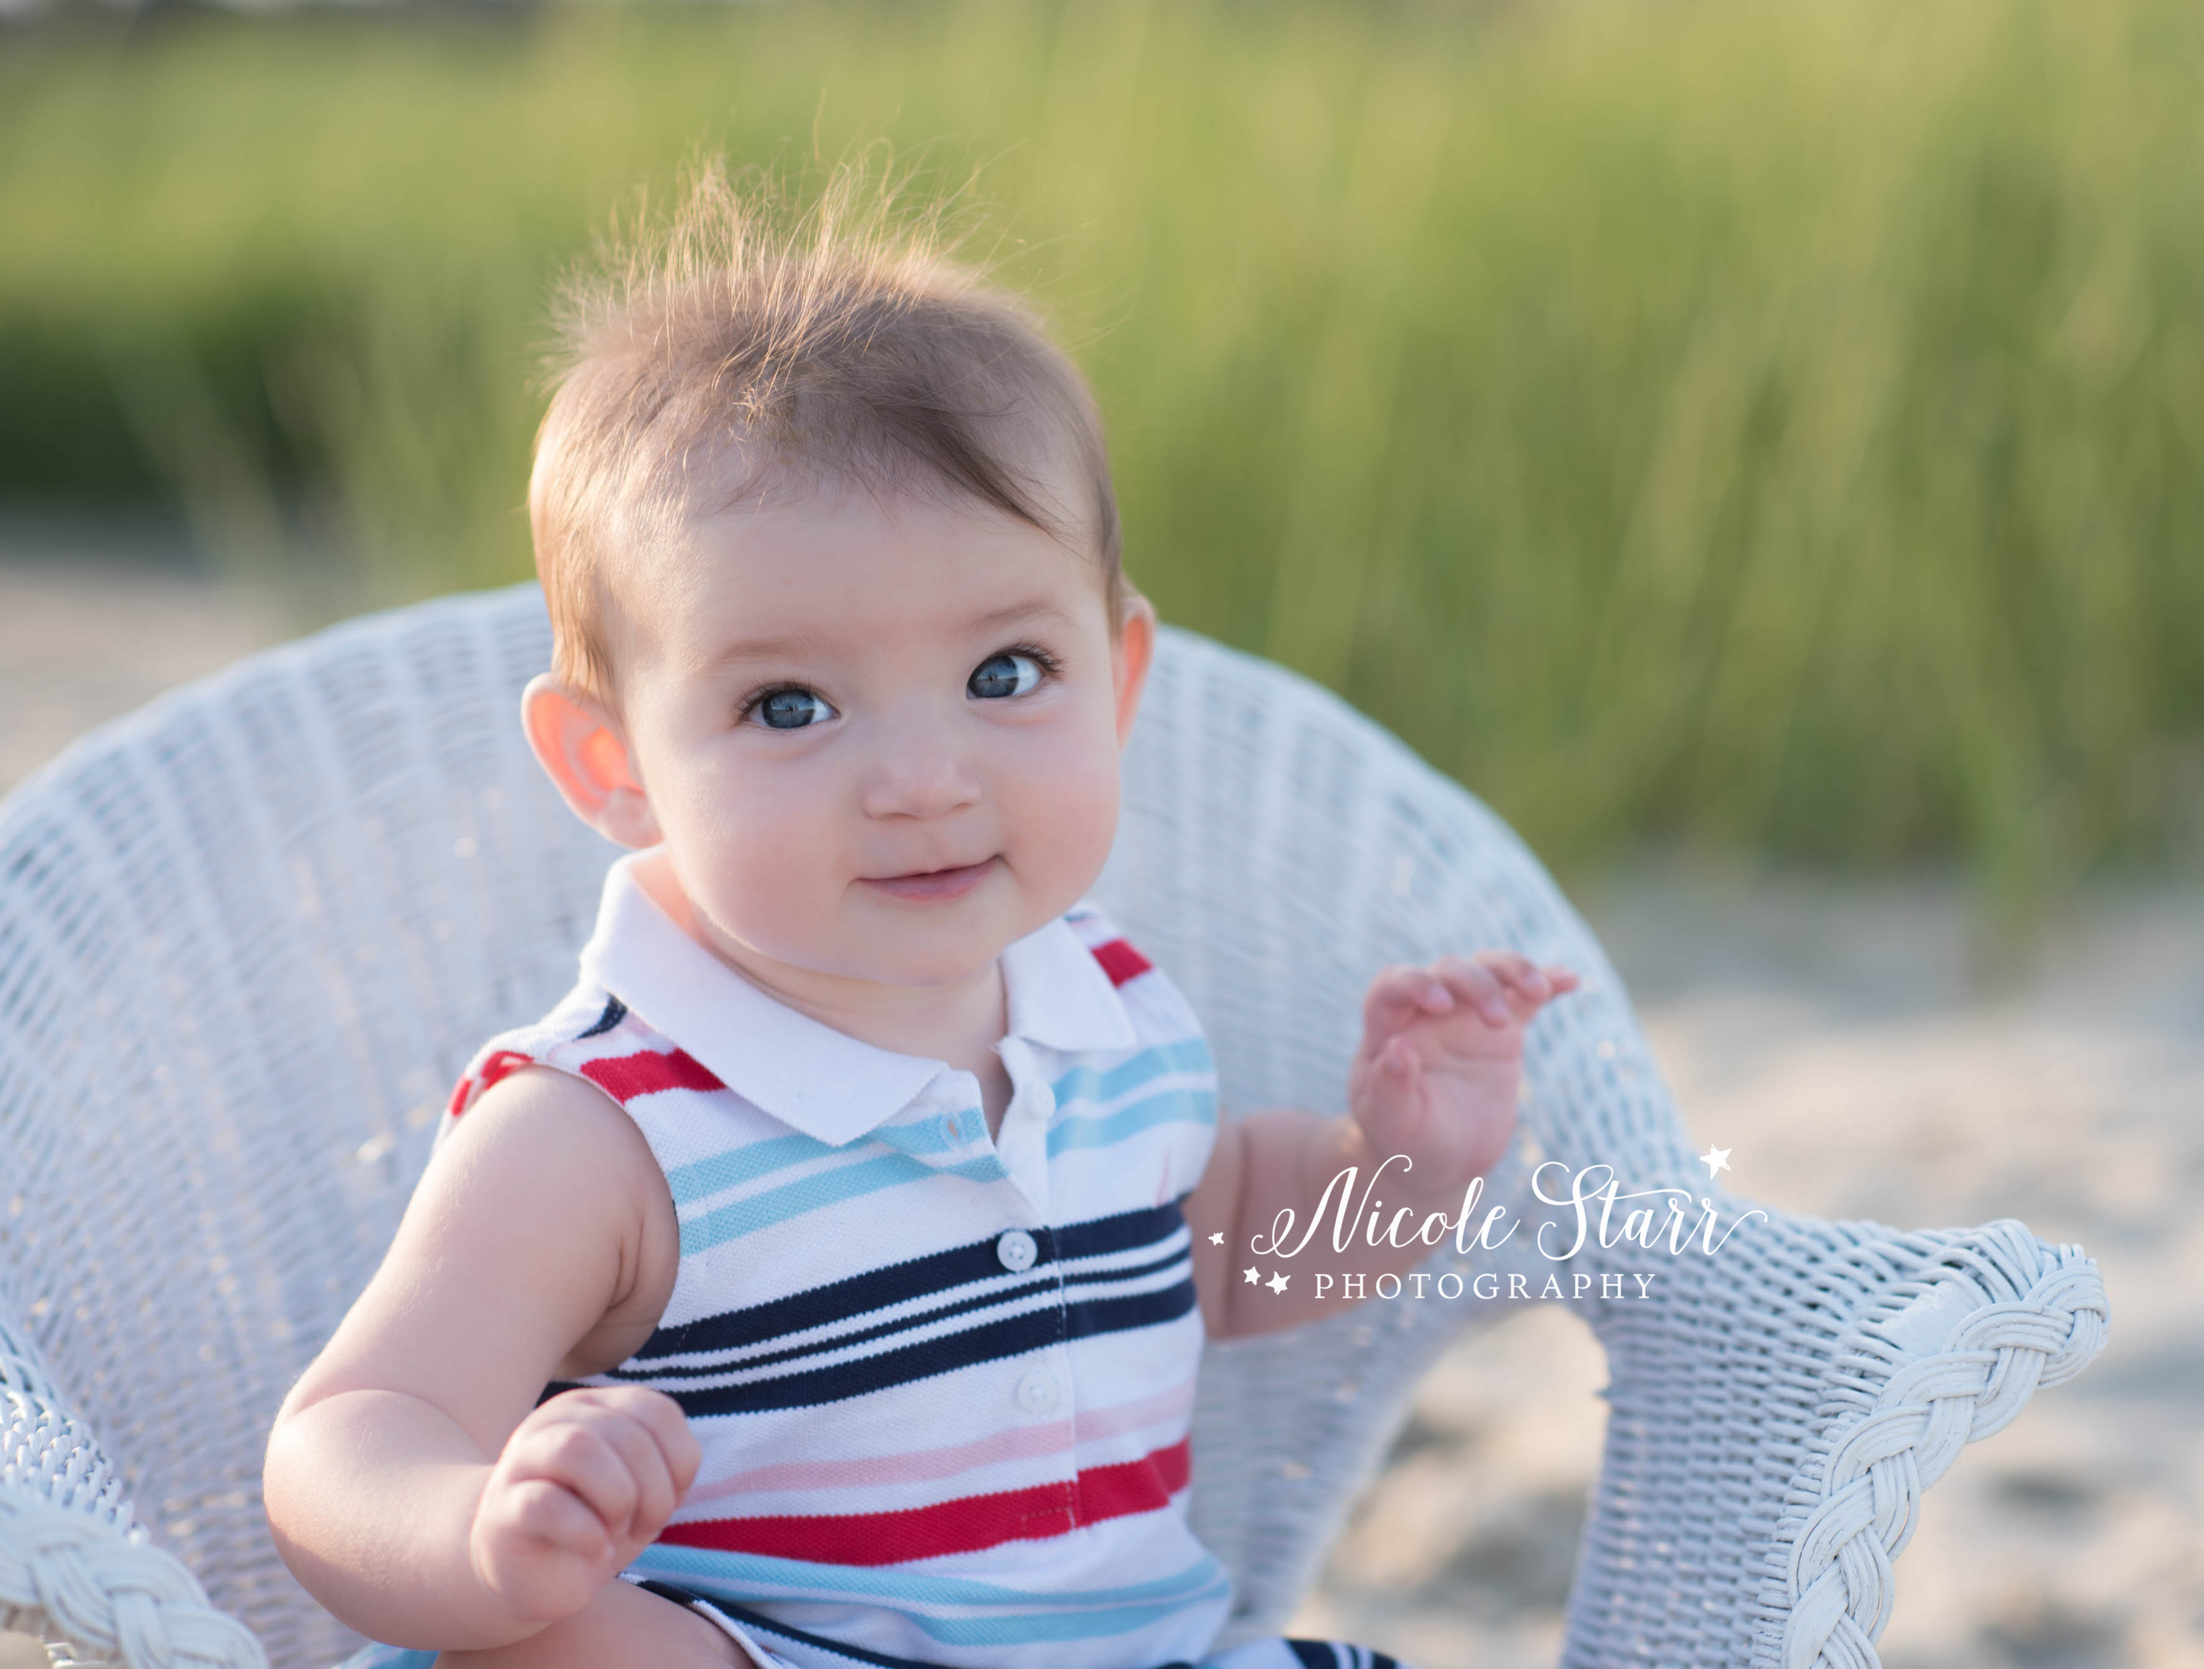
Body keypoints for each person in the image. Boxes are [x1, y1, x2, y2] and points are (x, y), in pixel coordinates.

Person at [262, 160, 1576, 1669]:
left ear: (1120, 677)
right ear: (613, 764)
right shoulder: (602, 1127)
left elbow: (1217, 1254)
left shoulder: (1114, 1009)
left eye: (1006, 673)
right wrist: (483, 1539)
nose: (923, 777)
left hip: (1155, 1655)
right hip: (782, 1651)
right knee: (571, 1653)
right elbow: (355, 1431)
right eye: (791, 702)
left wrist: (1399, 1165)